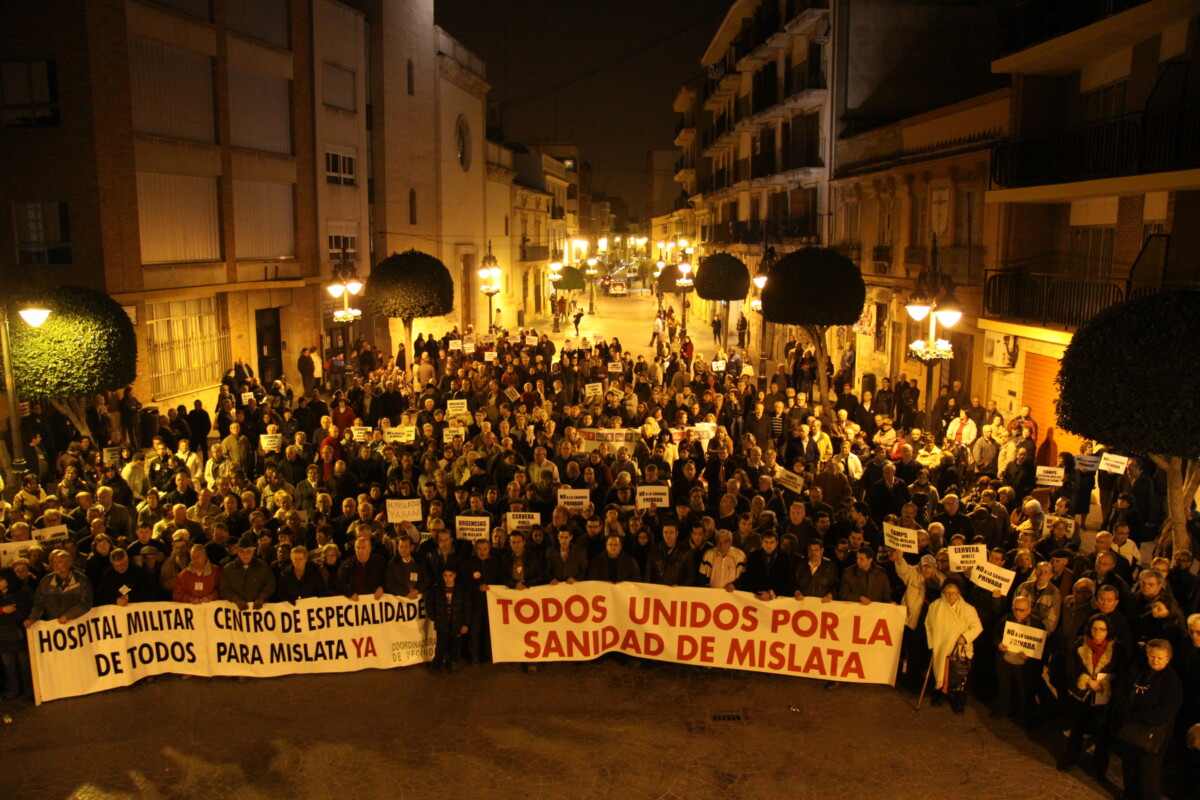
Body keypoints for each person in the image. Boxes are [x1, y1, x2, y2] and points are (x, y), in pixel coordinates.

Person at [1112, 640, 1184, 800]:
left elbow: (1165, 712)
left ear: (1168, 659)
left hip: (1152, 737)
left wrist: (1135, 716)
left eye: (1160, 658)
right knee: (1129, 770)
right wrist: (1124, 710)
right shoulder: (1136, 671)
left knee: (1148, 777)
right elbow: (1120, 690)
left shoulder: (1172, 682)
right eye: (1151, 656)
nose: (1155, 661)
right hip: (1130, 732)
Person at [1058, 615, 1121, 778]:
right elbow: (1071, 667)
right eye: (1095, 628)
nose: (1097, 632)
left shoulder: (1116, 648)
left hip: (1103, 696)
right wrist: (1086, 680)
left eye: (1102, 629)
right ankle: (1070, 758)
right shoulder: (1080, 643)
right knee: (1077, 728)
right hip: (1081, 694)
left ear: (1108, 631)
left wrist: (1104, 685)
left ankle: (1099, 768)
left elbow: (1121, 672)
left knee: (1102, 733)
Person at [924, 579, 982, 713]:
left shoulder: (968, 609)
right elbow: (929, 625)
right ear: (943, 593)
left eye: (953, 593)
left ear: (959, 593)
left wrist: (965, 637)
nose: (950, 596)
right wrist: (933, 643)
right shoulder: (935, 606)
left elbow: (977, 627)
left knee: (959, 676)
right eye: (947, 593)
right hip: (941, 646)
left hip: (959, 648)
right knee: (941, 673)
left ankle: (959, 702)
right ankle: (940, 695)